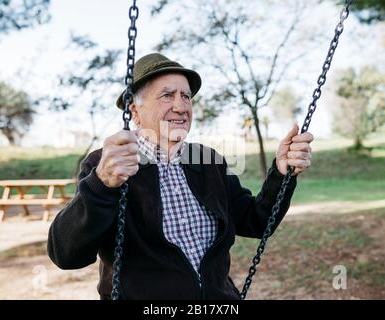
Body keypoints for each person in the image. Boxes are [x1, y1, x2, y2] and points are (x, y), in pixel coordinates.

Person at [47, 53, 314, 300]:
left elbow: (258, 222)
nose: (180, 106)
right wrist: (102, 185)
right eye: (167, 95)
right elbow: (66, 254)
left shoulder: (208, 161)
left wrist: (281, 172)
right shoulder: (107, 164)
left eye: (186, 97)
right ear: (135, 111)